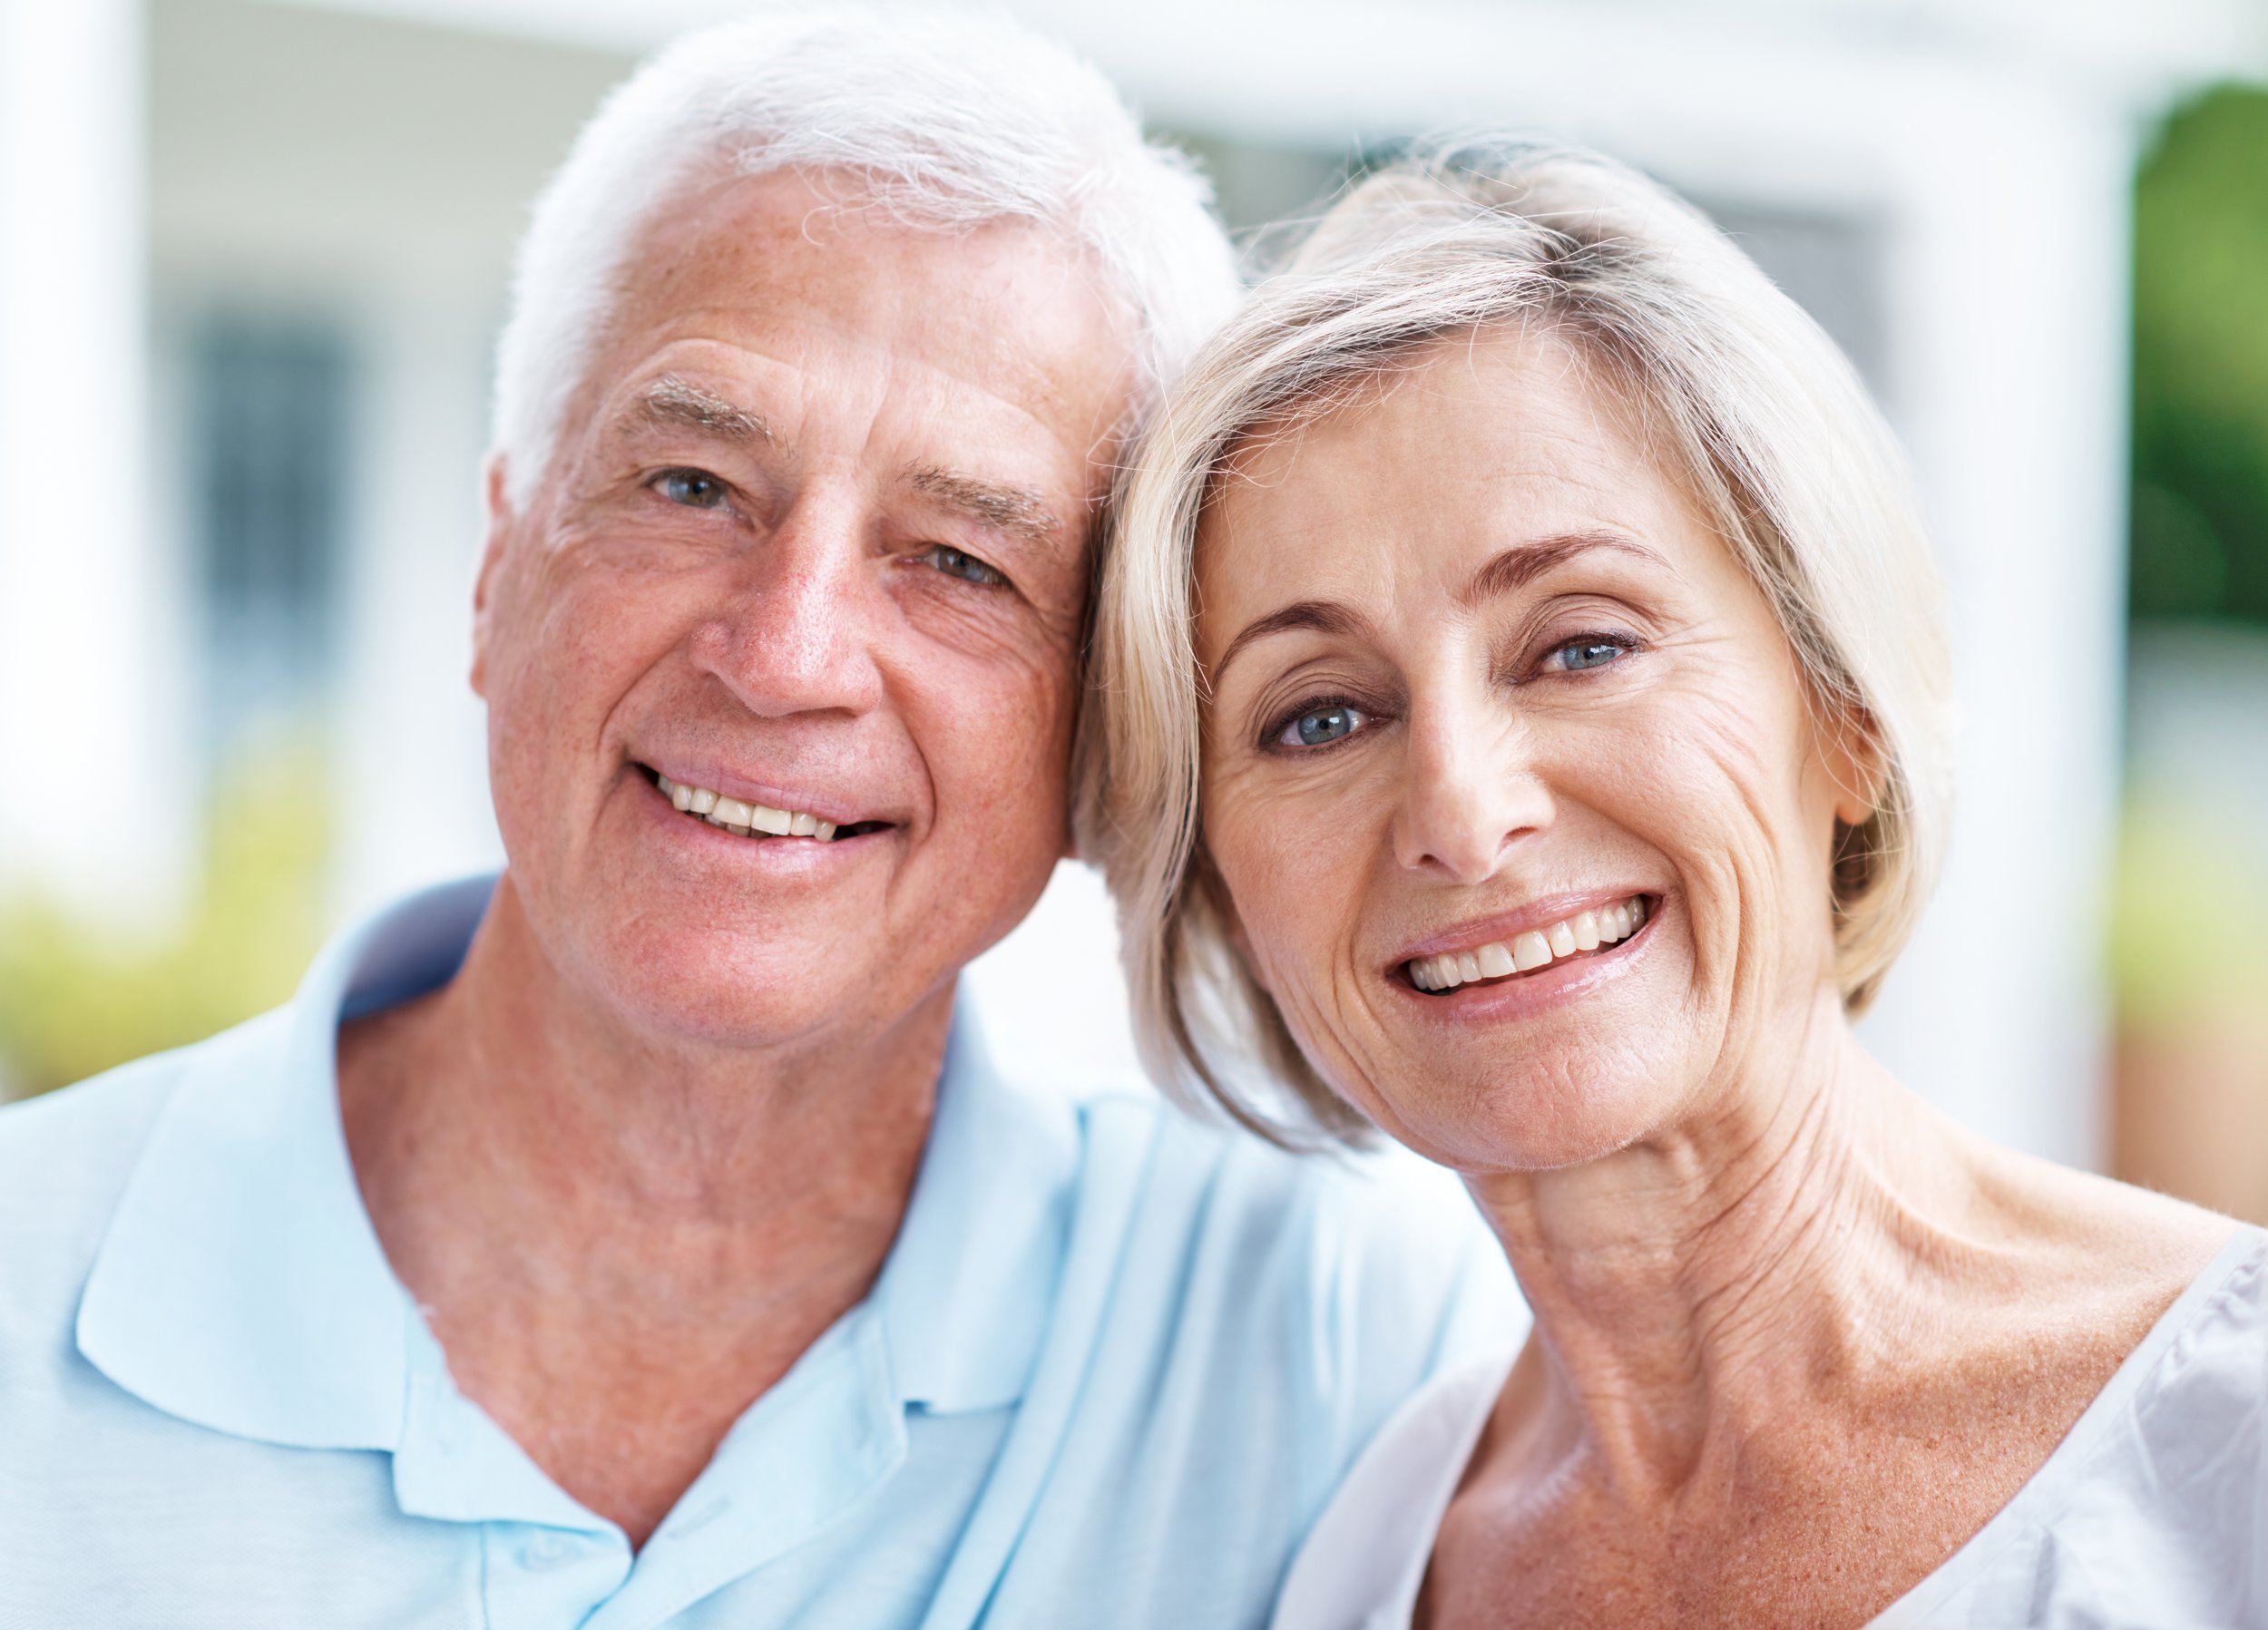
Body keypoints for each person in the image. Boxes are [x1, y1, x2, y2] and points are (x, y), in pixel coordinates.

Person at [0, 19, 1514, 1627]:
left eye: (960, 561)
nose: (785, 655)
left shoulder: (1327, 1350)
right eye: (693, 485)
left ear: (1105, 736)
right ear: (497, 562)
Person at [1082, 138, 2266, 1629]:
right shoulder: (1360, 1546)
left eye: (1581, 644)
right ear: (1224, 895)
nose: (1462, 809)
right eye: (1319, 714)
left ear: (1845, 710)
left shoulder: (2228, 1444)